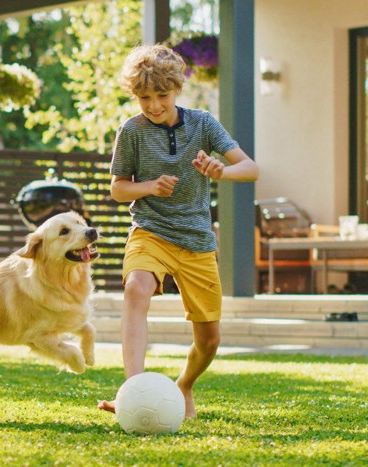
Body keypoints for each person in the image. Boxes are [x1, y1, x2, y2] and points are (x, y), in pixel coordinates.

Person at [97, 43, 259, 419]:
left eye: (161, 96)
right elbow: (118, 188)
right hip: (150, 230)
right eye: (144, 97)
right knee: (137, 288)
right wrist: (149, 186)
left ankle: (183, 385)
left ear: (177, 89)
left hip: (197, 239)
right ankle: (133, 391)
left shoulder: (202, 123)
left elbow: (249, 168)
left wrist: (222, 170)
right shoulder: (132, 131)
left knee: (209, 340)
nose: (153, 105)